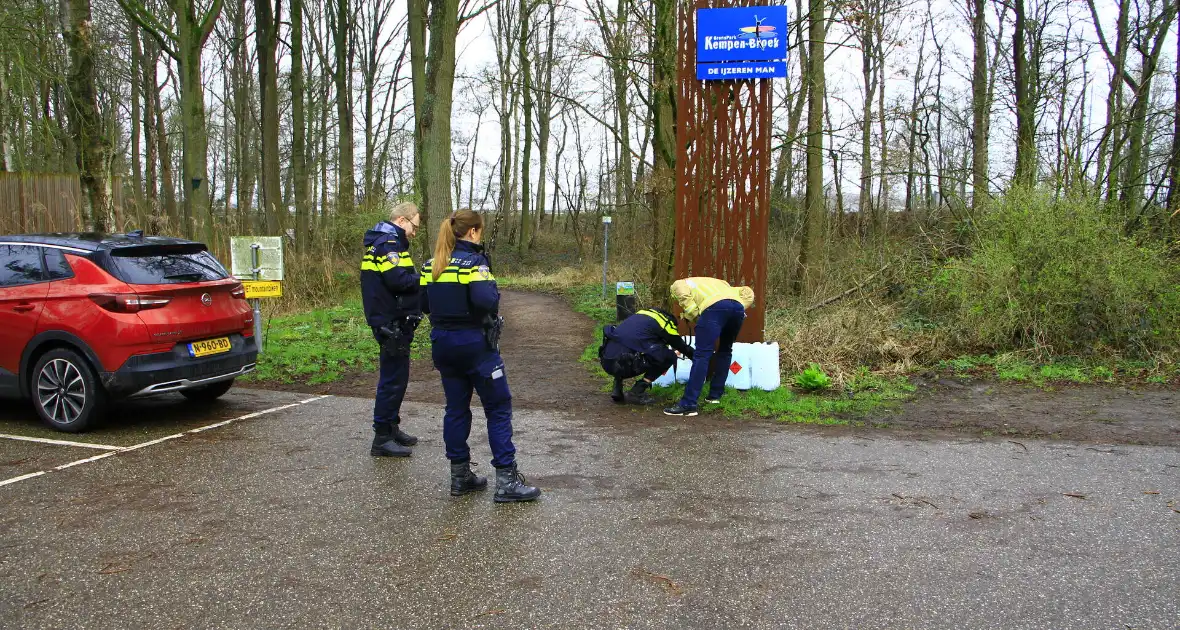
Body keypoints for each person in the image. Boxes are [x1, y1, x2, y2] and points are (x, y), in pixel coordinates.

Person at [420, 209, 541, 503]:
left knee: (456, 409)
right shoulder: (475, 263)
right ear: (473, 231)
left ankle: (459, 476)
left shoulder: (430, 264)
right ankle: (506, 482)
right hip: (475, 345)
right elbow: (486, 301)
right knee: (498, 408)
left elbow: (424, 304)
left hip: (444, 346)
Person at [361, 201, 424, 456]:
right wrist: (427, 278)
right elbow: (398, 280)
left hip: (392, 319)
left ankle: (391, 427)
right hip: (390, 322)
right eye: (414, 226)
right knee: (392, 380)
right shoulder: (388, 244)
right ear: (402, 220)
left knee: (397, 378)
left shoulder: (388, 241)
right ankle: (382, 438)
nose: (414, 232)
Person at [663, 277, 756, 417]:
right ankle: (715, 395)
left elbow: (683, 296)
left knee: (702, 355)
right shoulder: (721, 283)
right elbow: (747, 292)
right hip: (737, 308)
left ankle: (689, 404)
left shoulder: (679, 284)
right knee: (725, 350)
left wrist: (695, 316)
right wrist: (741, 305)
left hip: (713, 309)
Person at [599, 308, 694, 405]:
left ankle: (617, 386)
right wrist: (700, 358)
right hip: (625, 364)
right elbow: (682, 347)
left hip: (606, 360)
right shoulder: (666, 324)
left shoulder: (643, 313)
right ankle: (637, 391)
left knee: (627, 348)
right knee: (669, 356)